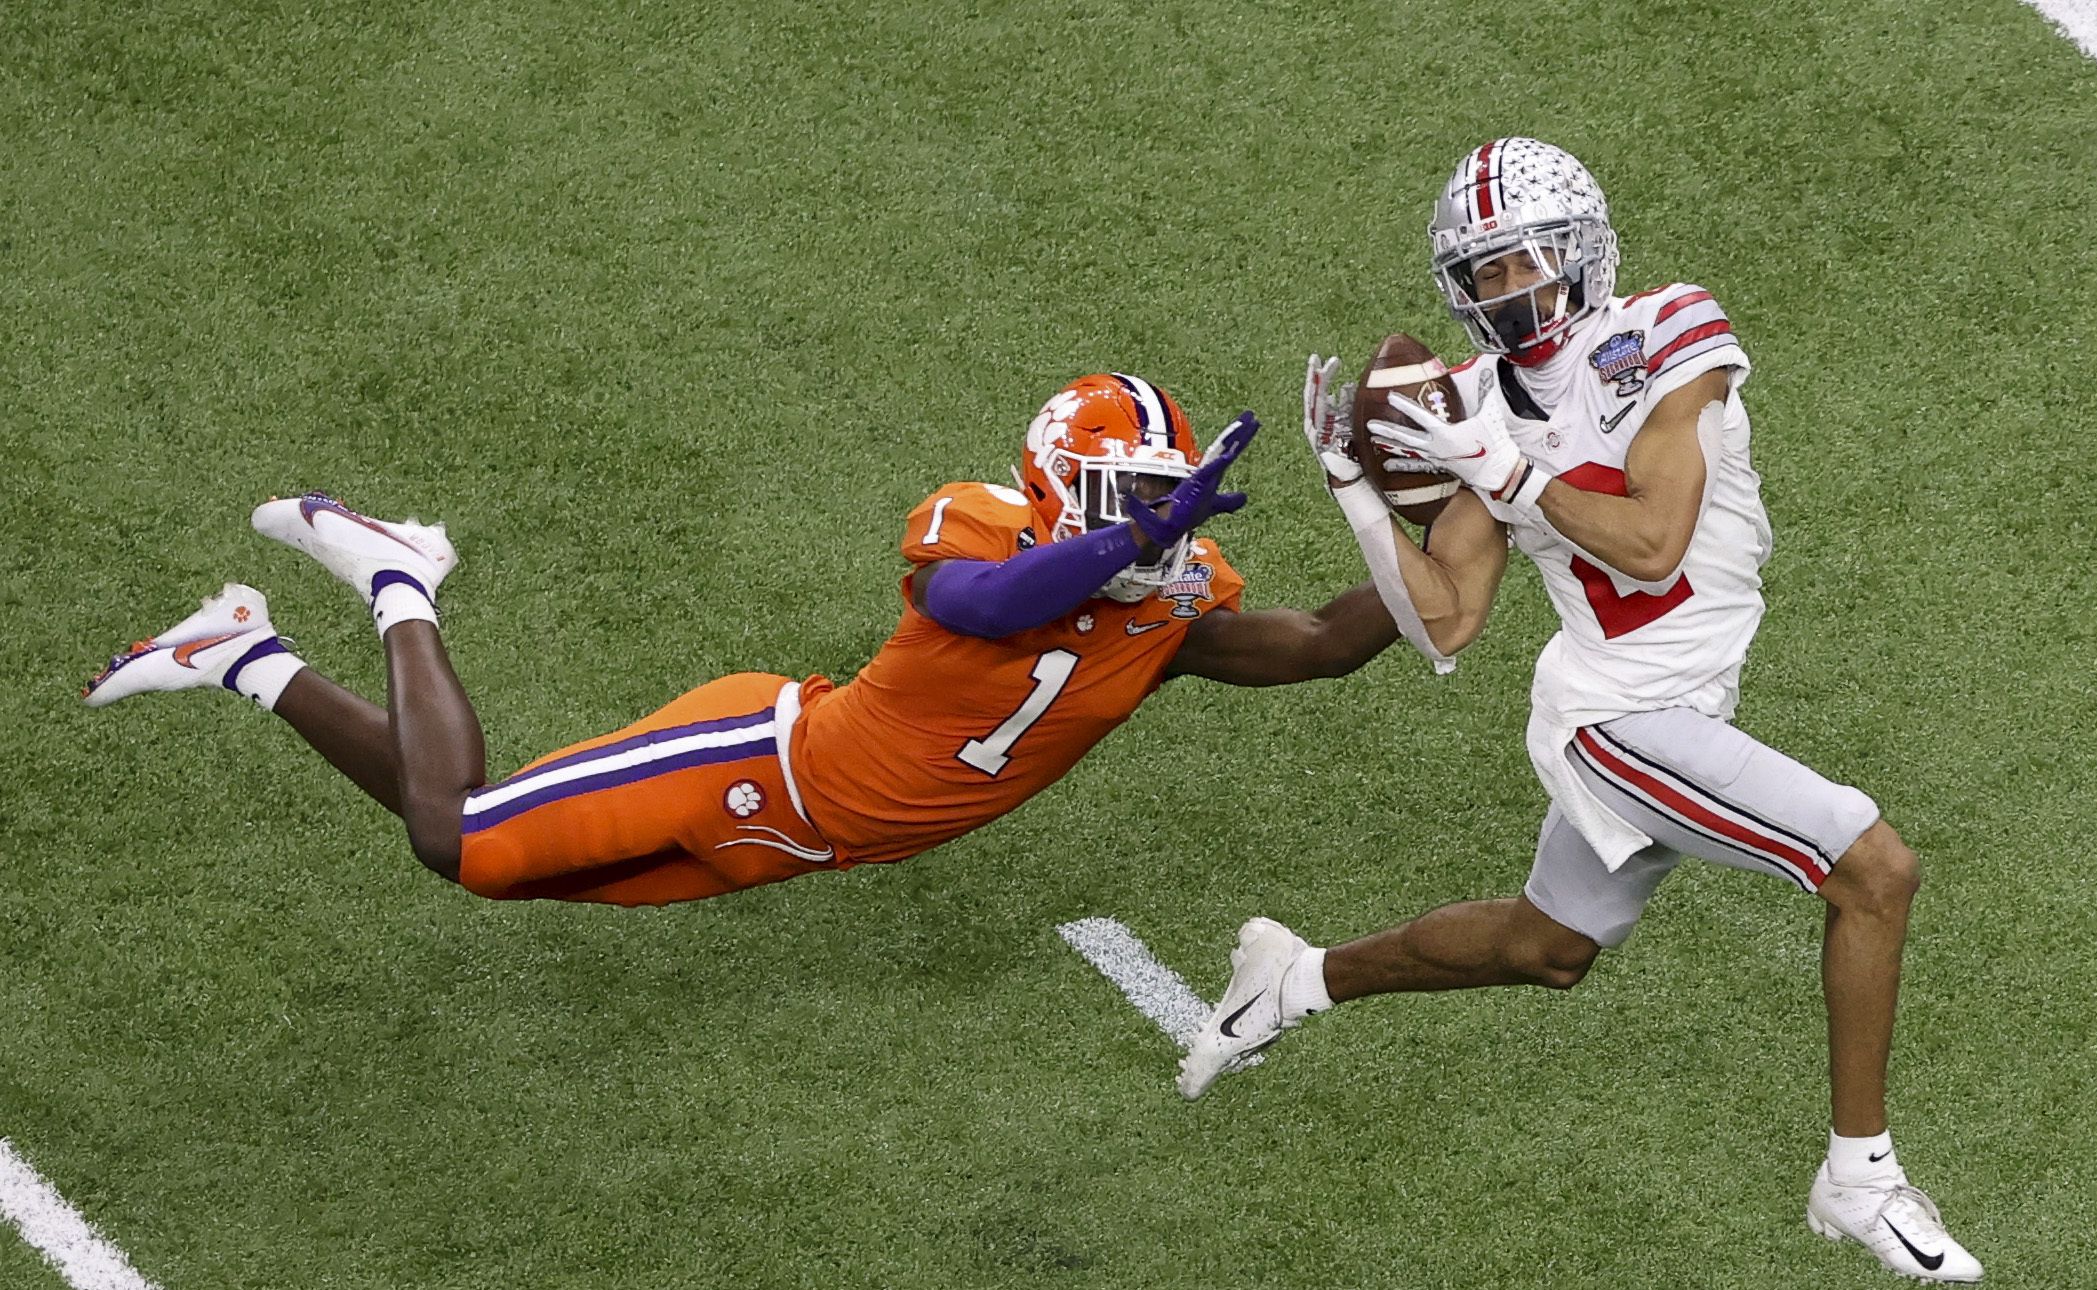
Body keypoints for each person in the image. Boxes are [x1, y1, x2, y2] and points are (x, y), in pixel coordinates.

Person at [1176, 139, 1981, 1283]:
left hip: (1680, 686)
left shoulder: (1668, 330)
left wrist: (1495, 469)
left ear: (1586, 248)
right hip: (1615, 715)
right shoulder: (1467, 405)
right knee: (1874, 868)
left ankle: (1295, 976)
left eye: (1528, 261)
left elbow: (1653, 542)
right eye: (1484, 274)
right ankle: (1859, 1173)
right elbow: (1448, 619)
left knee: (1545, 945)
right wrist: (1362, 498)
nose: (1511, 292)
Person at [85, 374, 1401, 907]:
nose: (1160, 528)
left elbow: (1336, 643)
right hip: (763, 760)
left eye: (1166, 502)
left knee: (486, 851)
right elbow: (977, 612)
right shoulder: (983, 531)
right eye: (1128, 504)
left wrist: (1473, 513)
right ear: (1063, 497)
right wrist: (1117, 546)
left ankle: (240, 651)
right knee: (462, 841)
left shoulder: (1172, 607)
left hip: (810, 839)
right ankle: (394, 575)